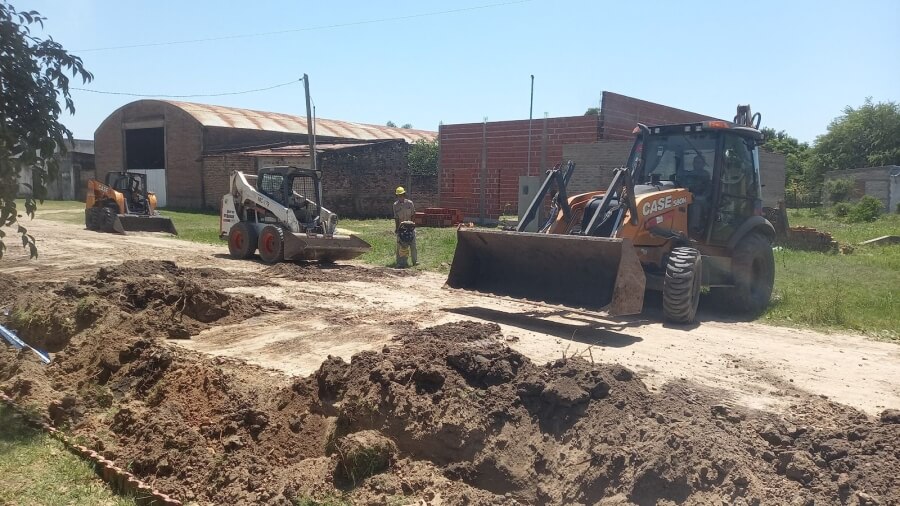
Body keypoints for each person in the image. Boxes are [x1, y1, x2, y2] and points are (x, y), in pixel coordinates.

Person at [392, 186, 417, 267]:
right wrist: (397, 229)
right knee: (400, 246)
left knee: (413, 245)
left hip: (410, 227)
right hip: (401, 228)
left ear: (404, 194)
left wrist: (412, 224)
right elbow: (396, 218)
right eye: (399, 195)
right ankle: (400, 262)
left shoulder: (410, 203)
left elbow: (413, 214)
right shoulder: (395, 205)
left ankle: (415, 261)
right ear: (397, 196)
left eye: (402, 195)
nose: (400, 196)